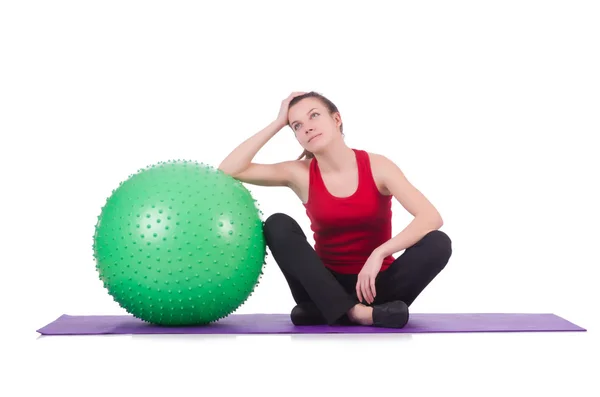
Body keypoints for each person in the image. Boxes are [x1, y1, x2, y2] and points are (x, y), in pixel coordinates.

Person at [218, 91, 452, 328]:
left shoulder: (378, 166)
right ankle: (356, 313)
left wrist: (379, 253)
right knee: (278, 223)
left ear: (336, 119)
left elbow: (430, 217)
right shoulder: (299, 173)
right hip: (322, 287)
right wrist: (279, 122)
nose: (307, 128)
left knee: (438, 243)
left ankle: (330, 313)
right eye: (297, 125)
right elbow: (229, 169)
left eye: (314, 116)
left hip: (376, 288)